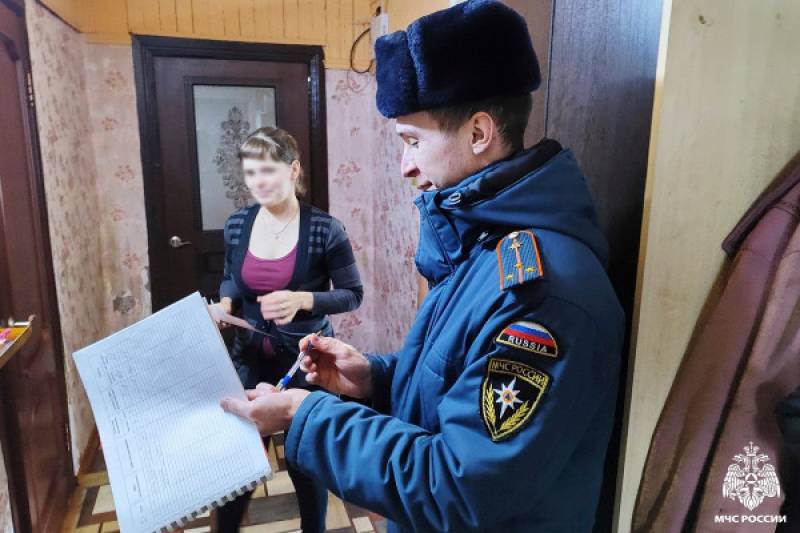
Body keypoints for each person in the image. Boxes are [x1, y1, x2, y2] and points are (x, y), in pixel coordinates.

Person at [221, 1, 624, 531]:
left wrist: (304, 413)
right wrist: (375, 379)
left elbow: (458, 484)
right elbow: (460, 389)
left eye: (413, 141)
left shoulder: (544, 295)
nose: (405, 166)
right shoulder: (481, 244)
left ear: (479, 133)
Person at [213, 126, 364, 532]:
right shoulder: (237, 225)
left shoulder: (325, 229)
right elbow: (230, 279)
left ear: (293, 169)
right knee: (239, 463)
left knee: (305, 464)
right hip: (247, 361)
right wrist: (225, 304)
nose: (257, 181)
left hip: (306, 365)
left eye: (268, 170)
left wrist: (303, 300)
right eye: (250, 172)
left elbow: (352, 294)